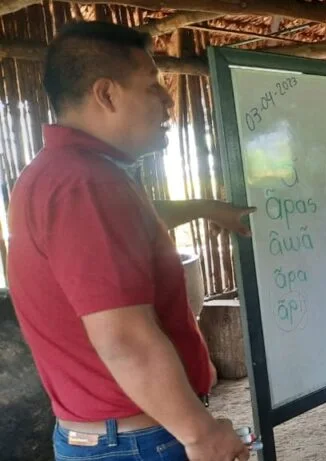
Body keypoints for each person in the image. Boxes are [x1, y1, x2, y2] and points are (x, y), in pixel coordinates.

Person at [7, 22, 254, 461]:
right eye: (152, 87)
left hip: (112, 434)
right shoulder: (87, 185)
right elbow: (124, 339)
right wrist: (201, 435)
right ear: (106, 94)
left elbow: (133, 225)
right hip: (139, 442)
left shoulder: (59, 172)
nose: (168, 101)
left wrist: (208, 207)